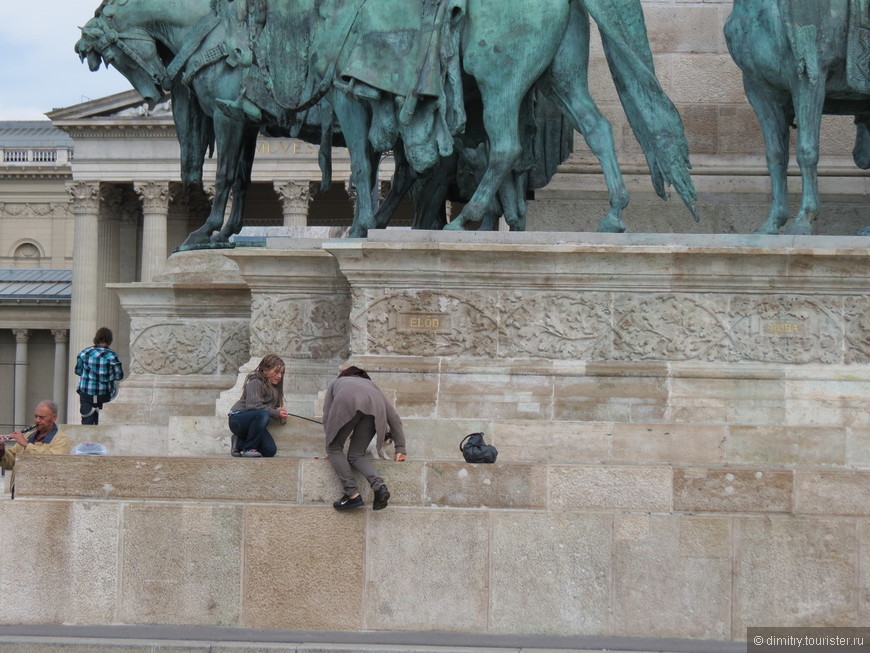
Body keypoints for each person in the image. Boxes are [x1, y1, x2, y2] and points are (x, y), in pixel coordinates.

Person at [322, 366, 407, 511]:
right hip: (374, 408)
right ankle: (379, 487)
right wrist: (400, 448)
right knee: (356, 455)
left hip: (346, 401)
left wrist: (331, 441)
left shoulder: (338, 382)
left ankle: (352, 495)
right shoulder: (371, 386)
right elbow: (393, 416)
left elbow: (327, 414)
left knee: (334, 448)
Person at [0, 400, 72, 498]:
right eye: (36, 416)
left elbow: (53, 461)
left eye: (42, 417)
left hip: (43, 496)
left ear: (54, 417)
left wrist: (26, 445)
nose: (37, 420)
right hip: (19, 493)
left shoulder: (61, 439)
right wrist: (2, 451)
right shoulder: (28, 435)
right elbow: (11, 462)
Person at [228, 354, 288, 457]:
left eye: (281, 373)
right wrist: (275, 412)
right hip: (237, 419)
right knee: (262, 415)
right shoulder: (255, 383)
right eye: (276, 372)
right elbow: (254, 406)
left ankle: (239, 442)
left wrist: (277, 410)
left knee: (270, 450)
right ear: (265, 370)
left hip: (254, 420)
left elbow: (263, 408)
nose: (279, 376)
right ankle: (249, 448)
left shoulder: (274, 388)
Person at [74, 327, 124, 425]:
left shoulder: (84, 353)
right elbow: (119, 376)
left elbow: (78, 371)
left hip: (86, 393)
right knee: (101, 423)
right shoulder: (113, 356)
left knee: (86, 423)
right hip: (104, 394)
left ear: (96, 338)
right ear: (110, 340)